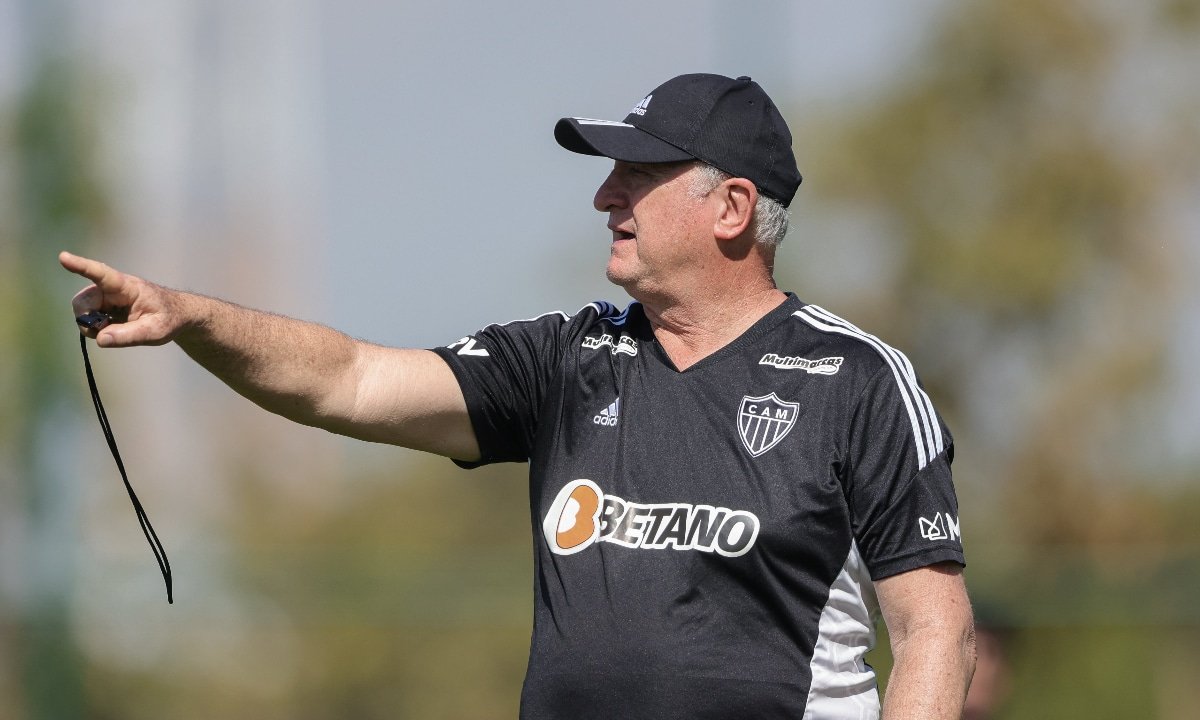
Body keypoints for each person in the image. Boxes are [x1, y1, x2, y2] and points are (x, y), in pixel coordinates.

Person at [62, 73, 975, 719]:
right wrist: (189, 315)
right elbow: (348, 380)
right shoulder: (568, 358)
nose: (604, 195)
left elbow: (934, 634)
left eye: (639, 176)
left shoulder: (858, 382)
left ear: (732, 209)